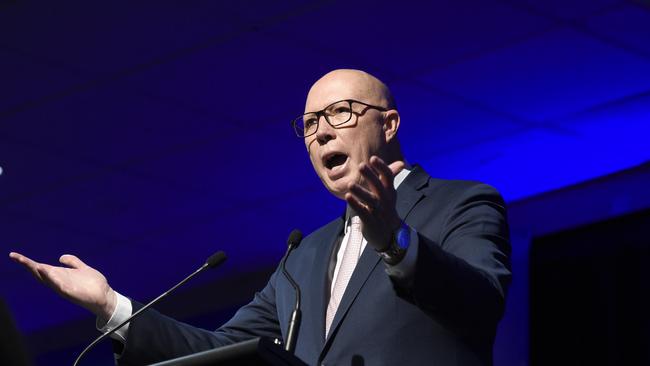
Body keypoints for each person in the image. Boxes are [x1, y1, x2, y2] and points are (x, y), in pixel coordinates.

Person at [10, 69, 511, 365]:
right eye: (310, 124)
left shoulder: (462, 203)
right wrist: (113, 306)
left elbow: (481, 301)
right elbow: (223, 348)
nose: (320, 134)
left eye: (340, 113)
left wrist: (394, 241)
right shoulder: (306, 254)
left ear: (390, 124)